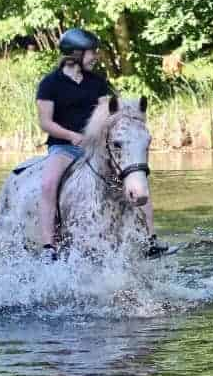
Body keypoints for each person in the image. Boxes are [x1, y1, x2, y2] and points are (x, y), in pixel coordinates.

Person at [36, 28, 173, 259]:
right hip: (64, 147)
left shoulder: (97, 82)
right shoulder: (50, 84)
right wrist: (72, 136)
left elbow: (107, 113)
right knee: (48, 185)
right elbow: (45, 123)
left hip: (96, 148)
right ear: (75, 54)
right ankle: (48, 246)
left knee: (135, 181)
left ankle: (150, 240)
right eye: (91, 53)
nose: (96, 57)